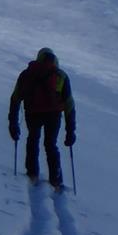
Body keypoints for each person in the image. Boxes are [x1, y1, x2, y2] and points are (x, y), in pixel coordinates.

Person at [8, 47, 76, 188]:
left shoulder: (27, 74)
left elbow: (15, 99)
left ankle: (32, 173)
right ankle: (56, 180)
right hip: (53, 115)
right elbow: (69, 105)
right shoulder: (61, 76)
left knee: (33, 139)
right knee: (50, 144)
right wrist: (70, 130)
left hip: (32, 113)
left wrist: (13, 123)